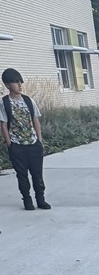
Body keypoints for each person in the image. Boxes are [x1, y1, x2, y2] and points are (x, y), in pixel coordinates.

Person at [0, 68, 51, 211]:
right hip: (17, 145)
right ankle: (27, 200)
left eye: (20, 82)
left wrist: (39, 140)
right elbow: (3, 124)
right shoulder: (4, 103)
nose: (19, 85)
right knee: (22, 176)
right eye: (16, 82)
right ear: (7, 85)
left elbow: (35, 120)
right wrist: (10, 144)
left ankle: (41, 200)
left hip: (33, 144)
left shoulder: (29, 100)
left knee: (37, 174)